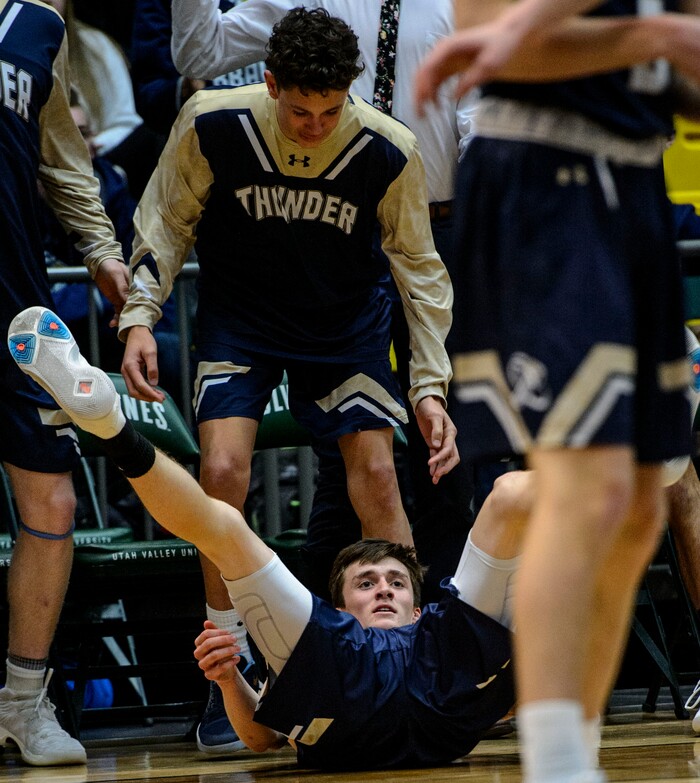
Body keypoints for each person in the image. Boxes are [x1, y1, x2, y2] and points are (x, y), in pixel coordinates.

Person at [120, 6, 458, 755]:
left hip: (344, 326)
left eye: (329, 111)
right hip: (243, 315)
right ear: (270, 84)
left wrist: (429, 387)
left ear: (351, 95)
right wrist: (140, 316)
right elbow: (165, 221)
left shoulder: (387, 146)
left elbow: (422, 272)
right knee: (222, 470)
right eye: (299, 110)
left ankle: (409, 663)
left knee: (378, 475)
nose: (314, 125)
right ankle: (229, 668)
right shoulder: (211, 121)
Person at [7, 305, 515, 769]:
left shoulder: (439, 640)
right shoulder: (324, 646)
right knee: (225, 527)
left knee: (513, 492)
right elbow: (262, 738)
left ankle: (111, 425)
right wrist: (230, 682)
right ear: (335, 612)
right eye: (366, 583)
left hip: (434, 665)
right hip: (344, 667)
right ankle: (111, 425)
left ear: (421, 608)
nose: (383, 587)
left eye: (395, 583)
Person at [414, 2, 700, 783]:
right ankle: (559, 769)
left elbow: (678, 68)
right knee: (586, 490)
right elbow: (503, 55)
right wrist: (651, 36)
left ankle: (577, 751)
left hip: (635, 188)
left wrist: (671, 47)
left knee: (644, 500)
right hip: (545, 181)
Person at [171, 0, 477, 609]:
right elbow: (200, 54)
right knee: (350, 468)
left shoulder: (461, 4)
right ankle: (326, 641)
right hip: (331, 235)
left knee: (448, 457)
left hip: (439, 226)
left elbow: (482, 116)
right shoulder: (300, 3)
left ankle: (428, 643)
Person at [0, 0, 128, 767]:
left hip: (14, 302)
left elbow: (62, 159)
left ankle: (21, 702)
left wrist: (101, 249)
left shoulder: (38, 25)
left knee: (52, 500)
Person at [42, 0, 163, 199]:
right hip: (37, 167)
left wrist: (86, 145)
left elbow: (127, 121)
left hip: (99, 159)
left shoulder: (95, 44)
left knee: (153, 140)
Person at [131, 0, 266, 138]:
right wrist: (184, 88)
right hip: (204, 136)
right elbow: (149, 94)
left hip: (274, 126)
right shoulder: (160, 5)